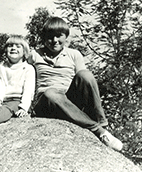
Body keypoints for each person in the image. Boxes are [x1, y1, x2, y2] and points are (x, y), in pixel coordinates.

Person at [28, 16, 123, 151]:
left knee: (85, 74)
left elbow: (84, 82)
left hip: (67, 100)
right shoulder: (34, 54)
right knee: (51, 93)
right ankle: (97, 130)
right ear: (44, 38)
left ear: (66, 36)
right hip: (46, 103)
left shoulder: (74, 54)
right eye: (50, 37)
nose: (54, 41)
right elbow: (23, 76)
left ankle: (102, 124)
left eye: (59, 36)